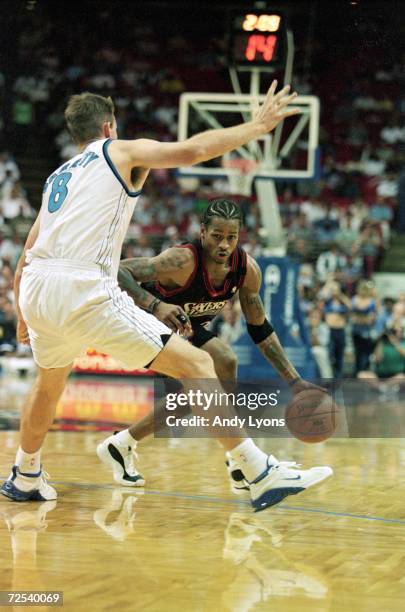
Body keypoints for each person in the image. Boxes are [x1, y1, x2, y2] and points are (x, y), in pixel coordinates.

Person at [1, 86, 332, 512]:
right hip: (83, 285)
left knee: (48, 385)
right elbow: (192, 151)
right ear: (108, 125)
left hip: (38, 287)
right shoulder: (118, 151)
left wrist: (22, 314)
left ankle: (26, 474)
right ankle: (258, 472)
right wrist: (258, 126)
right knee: (198, 364)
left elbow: (29, 249)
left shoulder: (58, 176)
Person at [97, 198, 331, 493]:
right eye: (217, 236)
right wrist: (155, 304)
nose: (224, 244)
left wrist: (295, 381)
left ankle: (123, 444)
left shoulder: (246, 270)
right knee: (208, 372)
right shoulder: (181, 261)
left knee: (223, 366)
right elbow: (118, 271)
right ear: (203, 232)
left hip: (181, 326)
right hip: (137, 315)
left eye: (231, 237)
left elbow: (260, 330)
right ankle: (244, 460)